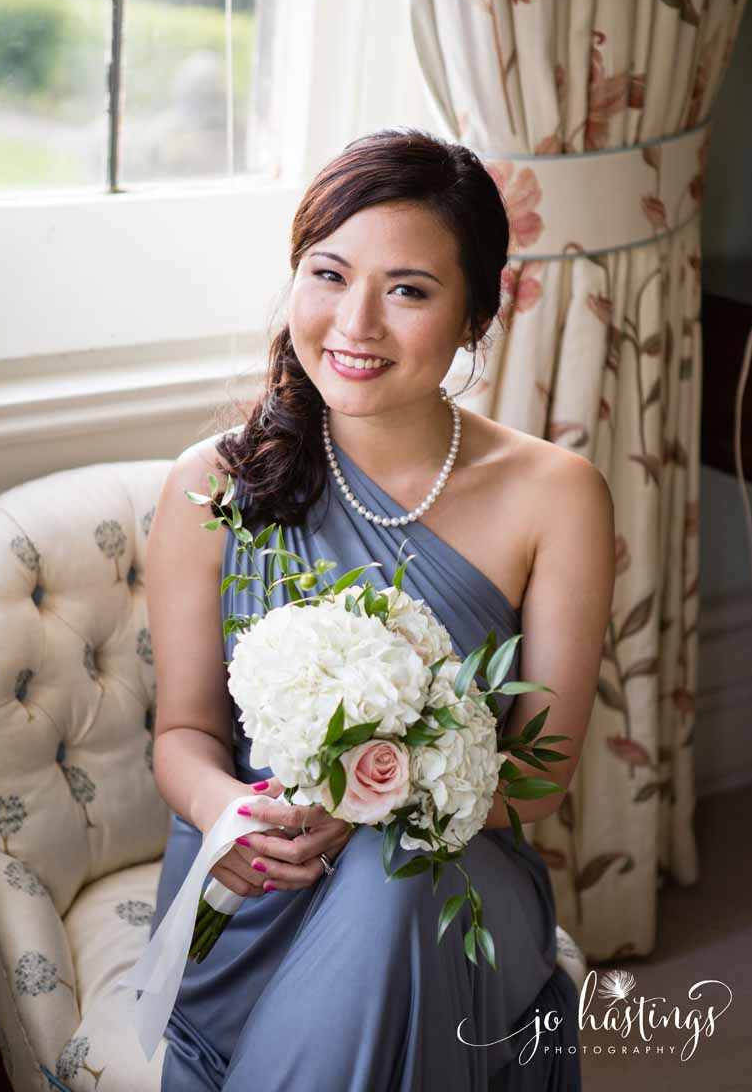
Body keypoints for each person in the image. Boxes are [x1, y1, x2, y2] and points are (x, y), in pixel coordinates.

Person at [145, 127, 615, 1091]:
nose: (355, 323)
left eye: (408, 289)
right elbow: (184, 730)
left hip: (453, 876)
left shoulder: (555, 494)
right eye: (328, 273)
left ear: (476, 316)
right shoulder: (212, 485)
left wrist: (374, 807)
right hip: (258, 880)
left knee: (396, 880)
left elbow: (535, 782)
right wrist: (226, 811)